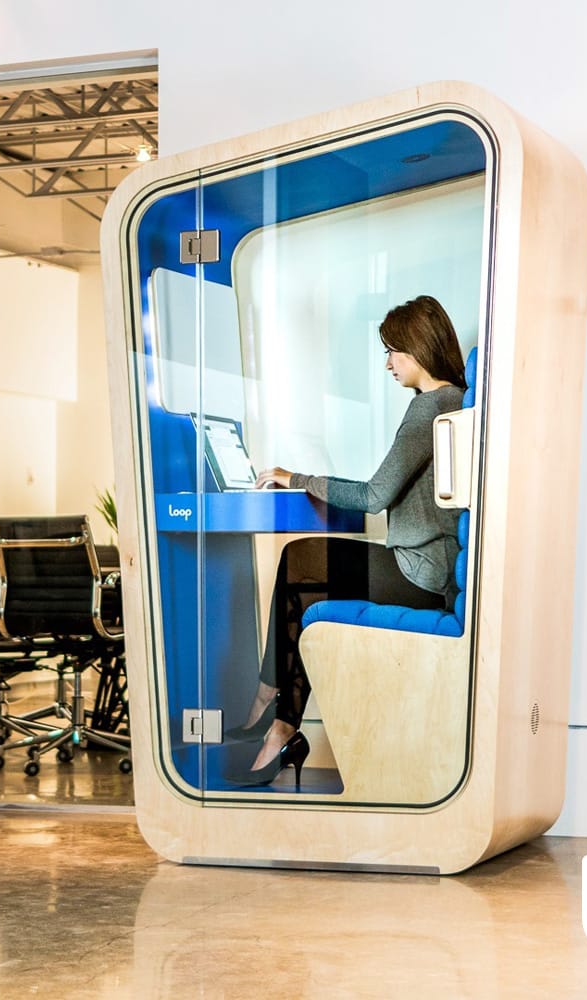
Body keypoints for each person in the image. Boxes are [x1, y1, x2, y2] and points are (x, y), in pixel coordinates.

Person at [226, 294, 468, 787]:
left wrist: (298, 477)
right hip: (432, 568)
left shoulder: (430, 409)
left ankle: (270, 704)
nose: (387, 363)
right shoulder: (457, 400)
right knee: (305, 578)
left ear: (419, 348)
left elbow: (376, 494)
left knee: (302, 559)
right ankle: (279, 723)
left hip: (420, 576)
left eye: (394, 351)